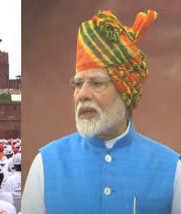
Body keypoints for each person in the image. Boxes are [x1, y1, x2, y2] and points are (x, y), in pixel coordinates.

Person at [22, 10, 181, 214]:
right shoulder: (46, 165)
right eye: (78, 84)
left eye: (96, 83)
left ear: (125, 91)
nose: (82, 94)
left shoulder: (171, 169)